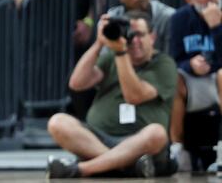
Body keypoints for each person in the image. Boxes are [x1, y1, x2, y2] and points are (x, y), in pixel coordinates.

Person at [46, 12, 177, 178]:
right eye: (129, 35)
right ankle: (126, 167)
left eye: (139, 35)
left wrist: (121, 53)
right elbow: (77, 83)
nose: (134, 41)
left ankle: (81, 169)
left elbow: (133, 96)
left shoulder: (164, 63)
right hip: (98, 139)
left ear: (152, 37)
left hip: (139, 144)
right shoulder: (110, 57)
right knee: (57, 122)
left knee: (157, 134)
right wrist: (99, 44)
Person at [168, 0, 222, 170]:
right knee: (173, 79)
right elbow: (174, 59)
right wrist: (190, 65)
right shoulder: (179, 19)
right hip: (192, 80)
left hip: (219, 78)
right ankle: (178, 149)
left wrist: (216, 27)